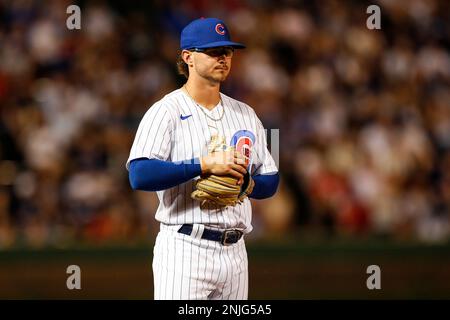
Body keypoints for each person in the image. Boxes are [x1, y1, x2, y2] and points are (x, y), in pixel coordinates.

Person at [126, 17, 279, 300]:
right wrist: (203, 165)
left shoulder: (246, 113)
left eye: (227, 51)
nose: (223, 57)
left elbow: (271, 178)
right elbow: (139, 174)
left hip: (235, 250)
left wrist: (246, 183)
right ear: (188, 58)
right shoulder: (165, 111)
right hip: (185, 248)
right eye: (212, 51)